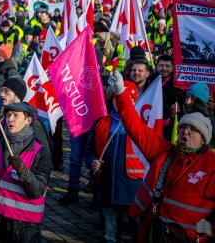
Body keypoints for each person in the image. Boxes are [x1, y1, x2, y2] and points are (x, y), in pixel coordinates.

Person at [110, 71, 215, 242]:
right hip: (153, 233)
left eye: (193, 130)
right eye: (183, 128)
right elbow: (136, 128)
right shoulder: (163, 152)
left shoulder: (211, 165)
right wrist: (121, 93)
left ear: (204, 139)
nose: (185, 132)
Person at [0, 102, 51, 243]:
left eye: (15, 116)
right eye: (8, 115)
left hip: (24, 225)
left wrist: (22, 171)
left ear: (28, 120)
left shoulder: (40, 150)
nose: (10, 119)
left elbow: (37, 190)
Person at [89, 95, 142, 243]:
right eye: (117, 97)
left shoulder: (141, 125)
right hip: (108, 187)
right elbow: (91, 150)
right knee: (110, 233)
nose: (119, 101)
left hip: (133, 189)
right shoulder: (101, 123)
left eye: (125, 98)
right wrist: (92, 161)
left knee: (137, 231)